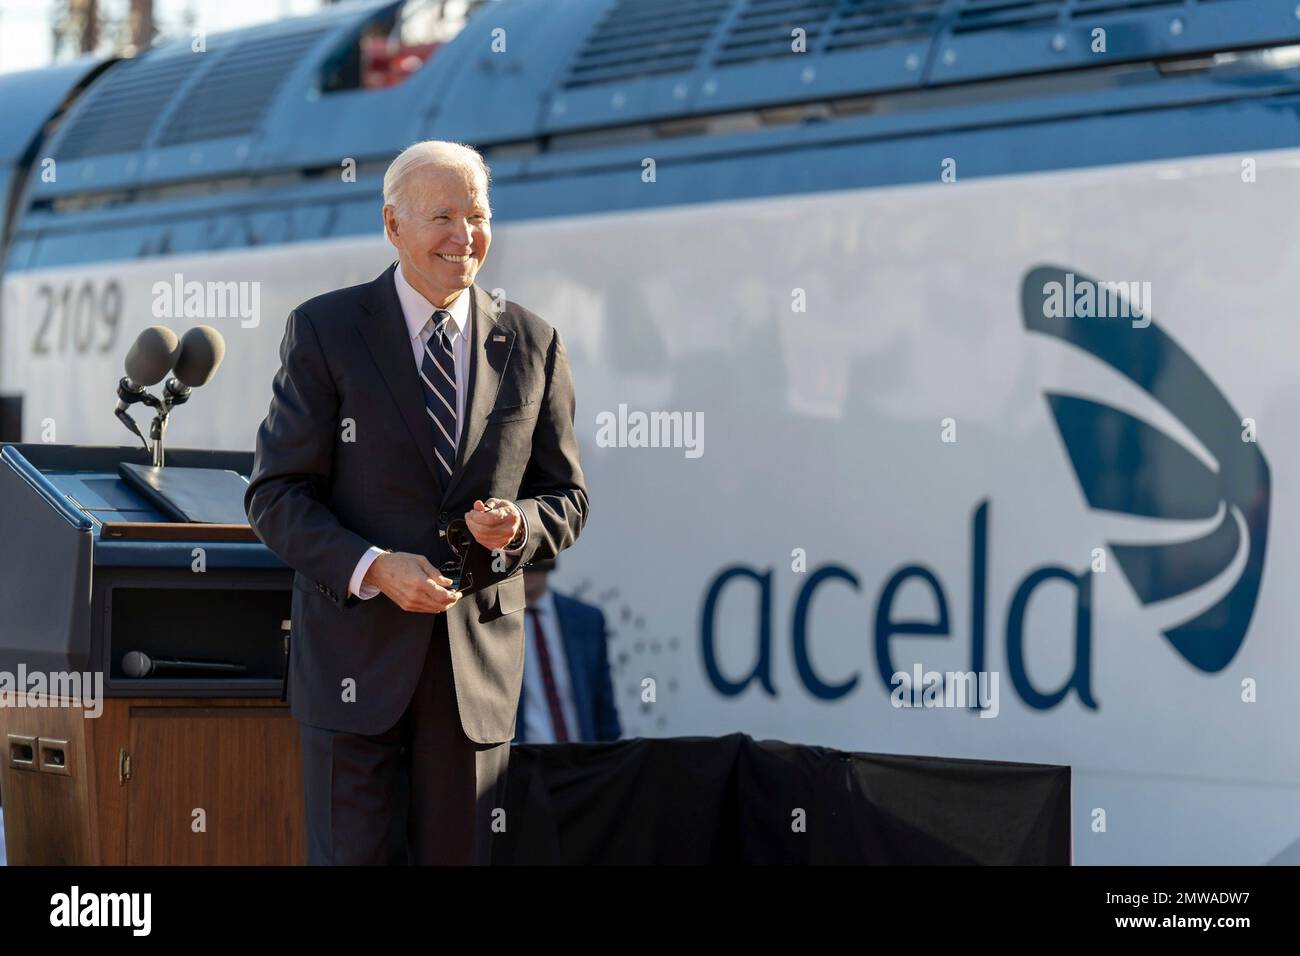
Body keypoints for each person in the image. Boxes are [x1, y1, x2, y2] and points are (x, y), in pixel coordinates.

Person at [244, 140, 588, 865]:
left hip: (474, 679)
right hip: (352, 669)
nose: (464, 237)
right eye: (443, 216)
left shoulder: (533, 342)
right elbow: (276, 495)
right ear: (393, 226)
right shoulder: (326, 331)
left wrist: (518, 526)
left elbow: (567, 498)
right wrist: (373, 567)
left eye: (479, 215)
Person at [514, 557, 621, 744]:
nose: (529, 569)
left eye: (536, 556)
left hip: (581, 759)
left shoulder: (587, 618)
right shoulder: (492, 625)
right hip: (523, 761)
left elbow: (602, 698)